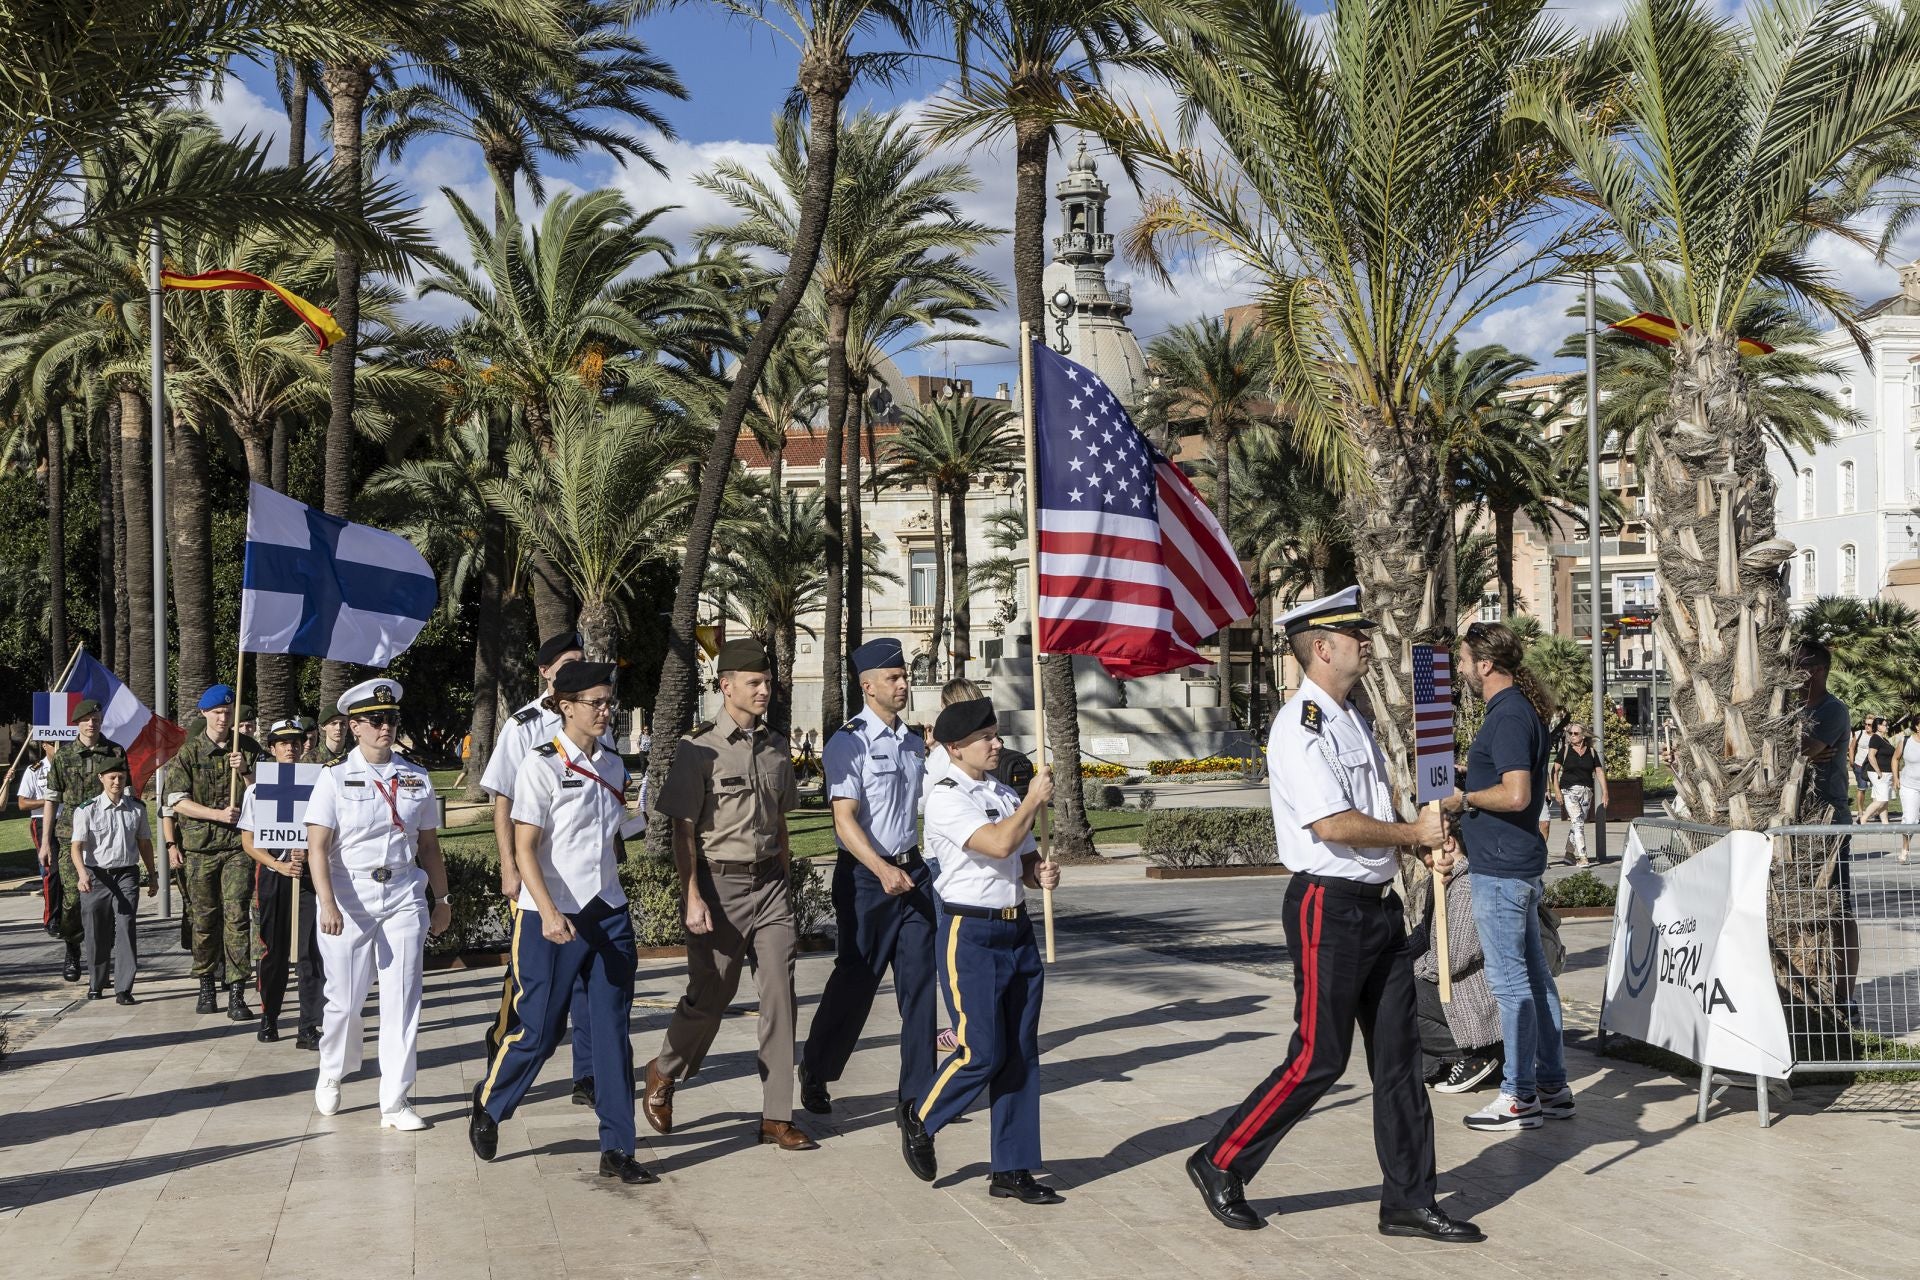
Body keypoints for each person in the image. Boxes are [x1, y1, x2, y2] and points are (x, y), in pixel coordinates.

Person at [1184, 586, 1480, 1243]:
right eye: (1357, 636)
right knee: (1320, 1057)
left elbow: (1381, 810)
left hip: (1377, 908)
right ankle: (1220, 1159)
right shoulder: (1301, 726)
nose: (1369, 643)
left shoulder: (1352, 717)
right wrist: (1415, 837)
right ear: (1323, 648)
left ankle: (1408, 1199)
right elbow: (1334, 824)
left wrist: (1430, 827)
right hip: (1329, 907)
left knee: (1400, 1059)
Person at [470, 661, 657, 1185]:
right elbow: (526, 848)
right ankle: (490, 1104)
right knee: (540, 1030)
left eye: (608, 701)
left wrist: (643, 820)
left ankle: (618, 1148)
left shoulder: (615, 765)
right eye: (594, 702)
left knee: (613, 1032)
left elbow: (611, 836)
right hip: (551, 916)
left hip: (608, 912)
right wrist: (549, 912)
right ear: (565, 706)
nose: (604, 710)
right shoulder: (541, 766)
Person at [642, 637, 815, 1151]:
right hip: (720, 886)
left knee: (780, 995)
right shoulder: (699, 749)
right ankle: (664, 1069)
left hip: (771, 886)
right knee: (711, 996)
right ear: (726, 686)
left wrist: (785, 876)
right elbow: (684, 831)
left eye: (767, 683)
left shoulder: (777, 745)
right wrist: (692, 894)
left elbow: (780, 820)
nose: (765, 690)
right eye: (755, 683)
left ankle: (777, 1117)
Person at [911, 696, 1064, 1203]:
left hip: (1015, 930)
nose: (996, 744)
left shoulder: (999, 792)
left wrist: (1038, 872)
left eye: (996, 735)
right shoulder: (945, 796)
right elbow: (997, 843)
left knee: (1020, 1051)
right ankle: (921, 1117)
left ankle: (1012, 1168)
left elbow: (1017, 858)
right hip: (970, 934)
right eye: (986, 738)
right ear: (956, 748)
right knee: (980, 1051)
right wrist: (1032, 803)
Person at [798, 638, 934, 1119]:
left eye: (904, 676)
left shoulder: (913, 742)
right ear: (867, 685)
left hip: (911, 870)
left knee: (920, 984)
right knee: (856, 982)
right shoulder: (847, 742)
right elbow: (844, 820)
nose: (903, 684)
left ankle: (918, 1094)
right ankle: (816, 1070)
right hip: (866, 877)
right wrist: (882, 870)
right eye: (894, 678)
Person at [308, 679, 452, 1130]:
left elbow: (429, 845)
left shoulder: (416, 777)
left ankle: (395, 1099)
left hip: (405, 893)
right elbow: (317, 847)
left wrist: (442, 898)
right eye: (375, 720)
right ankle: (332, 1070)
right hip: (349, 896)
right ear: (354, 726)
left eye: (390, 718)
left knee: (404, 997)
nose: (384, 726)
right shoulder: (333, 777)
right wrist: (327, 902)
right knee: (346, 1001)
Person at [1452, 621, 1571, 1133]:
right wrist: (1471, 775)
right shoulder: (1517, 710)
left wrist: (1464, 798)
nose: (1459, 669)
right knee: (1535, 979)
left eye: (1463, 660)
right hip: (1515, 862)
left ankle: (1519, 1095)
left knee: (1511, 984)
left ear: (1484, 664)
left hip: (1501, 868)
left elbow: (1518, 794)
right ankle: (1551, 1085)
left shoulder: (1507, 714)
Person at [478, 630, 599, 1107]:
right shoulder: (524, 725)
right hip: (535, 875)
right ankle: (505, 1047)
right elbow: (503, 799)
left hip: (585, 875)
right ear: (545, 672)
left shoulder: (593, 719)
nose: (574, 668)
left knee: (592, 976)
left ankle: (587, 1075)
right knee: (530, 979)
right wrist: (509, 865)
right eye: (566, 663)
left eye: (581, 661)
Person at [172, 685, 263, 1019]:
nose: (224, 718)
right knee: (204, 918)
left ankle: (237, 992)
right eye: (218, 713)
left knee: (237, 915)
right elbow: (176, 801)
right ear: (205, 714)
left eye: (228, 713)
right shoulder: (190, 752)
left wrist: (247, 772)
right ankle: (206, 983)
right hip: (200, 849)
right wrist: (215, 815)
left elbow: (268, 795)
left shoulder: (250, 749)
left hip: (238, 846)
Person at [240, 718, 326, 1048]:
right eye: (282, 743)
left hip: (307, 877)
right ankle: (269, 1017)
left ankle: (308, 1027)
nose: (289, 748)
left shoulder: (318, 784)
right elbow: (248, 842)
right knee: (272, 951)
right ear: (272, 749)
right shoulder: (257, 790)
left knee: (309, 951)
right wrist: (278, 863)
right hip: (273, 876)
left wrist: (307, 854)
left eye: (295, 742)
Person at [42, 701, 125, 982]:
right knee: (73, 897)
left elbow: (126, 793)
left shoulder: (114, 751)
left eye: (96, 718)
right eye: (87, 719)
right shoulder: (64, 757)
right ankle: (72, 948)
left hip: (106, 838)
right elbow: (51, 800)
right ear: (77, 723)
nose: (92, 723)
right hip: (70, 838)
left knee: (105, 901)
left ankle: (101, 958)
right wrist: (44, 843)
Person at [1408, 850, 1502, 1094]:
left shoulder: (1466, 885)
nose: (1424, 860)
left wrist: (1411, 971)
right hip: (1453, 983)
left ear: (1448, 843)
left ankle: (1481, 1052)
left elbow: (1452, 957)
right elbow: (1425, 932)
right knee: (1387, 988)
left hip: (1472, 992)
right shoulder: (1444, 879)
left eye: (1426, 852)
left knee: (1399, 996)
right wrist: (1395, 957)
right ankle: (1443, 1063)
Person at [1798, 641, 1859, 1002]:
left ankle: (1843, 996)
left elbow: (1803, 750)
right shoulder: (1787, 709)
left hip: (1829, 821)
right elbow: (1798, 752)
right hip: (1794, 820)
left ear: (1818, 669)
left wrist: (1804, 753)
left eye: (1800, 665)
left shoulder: (1832, 709)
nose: (1793, 671)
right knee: (1798, 906)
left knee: (1838, 910)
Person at [69, 752, 154, 1003]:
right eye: (112, 777)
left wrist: (153, 875)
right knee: (96, 931)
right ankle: (97, 982)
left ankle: (124, 987)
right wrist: (82, 873)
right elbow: (76, 846)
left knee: (126, 925)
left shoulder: (136, 809)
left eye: (121, 777)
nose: (117, 782)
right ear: (101, 778)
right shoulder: (87, 810)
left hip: (126, 874)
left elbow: (144, 843)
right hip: (96, 875)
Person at [1549, 722, 1608, 867]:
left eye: (1575, 733)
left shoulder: (1592, 752)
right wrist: (1556, 790)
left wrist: (1605, 792)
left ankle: (1569, 853)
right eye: (1570, 733)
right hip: (1568, 791)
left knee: (1577, 823)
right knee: (1578, 822)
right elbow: (1554, 771)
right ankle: (1583, 857)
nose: (1572, 736)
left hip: (1586, 792)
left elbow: (1599, 772)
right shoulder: (1565, 750)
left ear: (1583, 736)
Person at [17, 741, 57, 936]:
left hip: (69, 819)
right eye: (53, 744)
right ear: (44, 746)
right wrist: (48, 801)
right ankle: (52, 918)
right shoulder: (35, 770)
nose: (57, 748)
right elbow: (22, 803)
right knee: (51, 871)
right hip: (42, 821)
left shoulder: (71, 767)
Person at [1862, 716, 1895, 825]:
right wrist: (1878, 772)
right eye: (1885, 725)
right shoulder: (1875, 738)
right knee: (1882, 799)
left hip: (1886, 773)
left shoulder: (1883, 739)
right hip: (1879, 773)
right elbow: (1871, 756)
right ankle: (1863, 818)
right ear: (1879, 726)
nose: (1887, 727)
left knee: (1883, 799)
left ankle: (1885, 822)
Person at [1897, 716, 1920, 861]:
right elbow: (1895, 759)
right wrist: (1895, 778)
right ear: (1917, 727)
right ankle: (1905, 847)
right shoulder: (1906, 741)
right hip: (1909, 785)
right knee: (1910, 821)